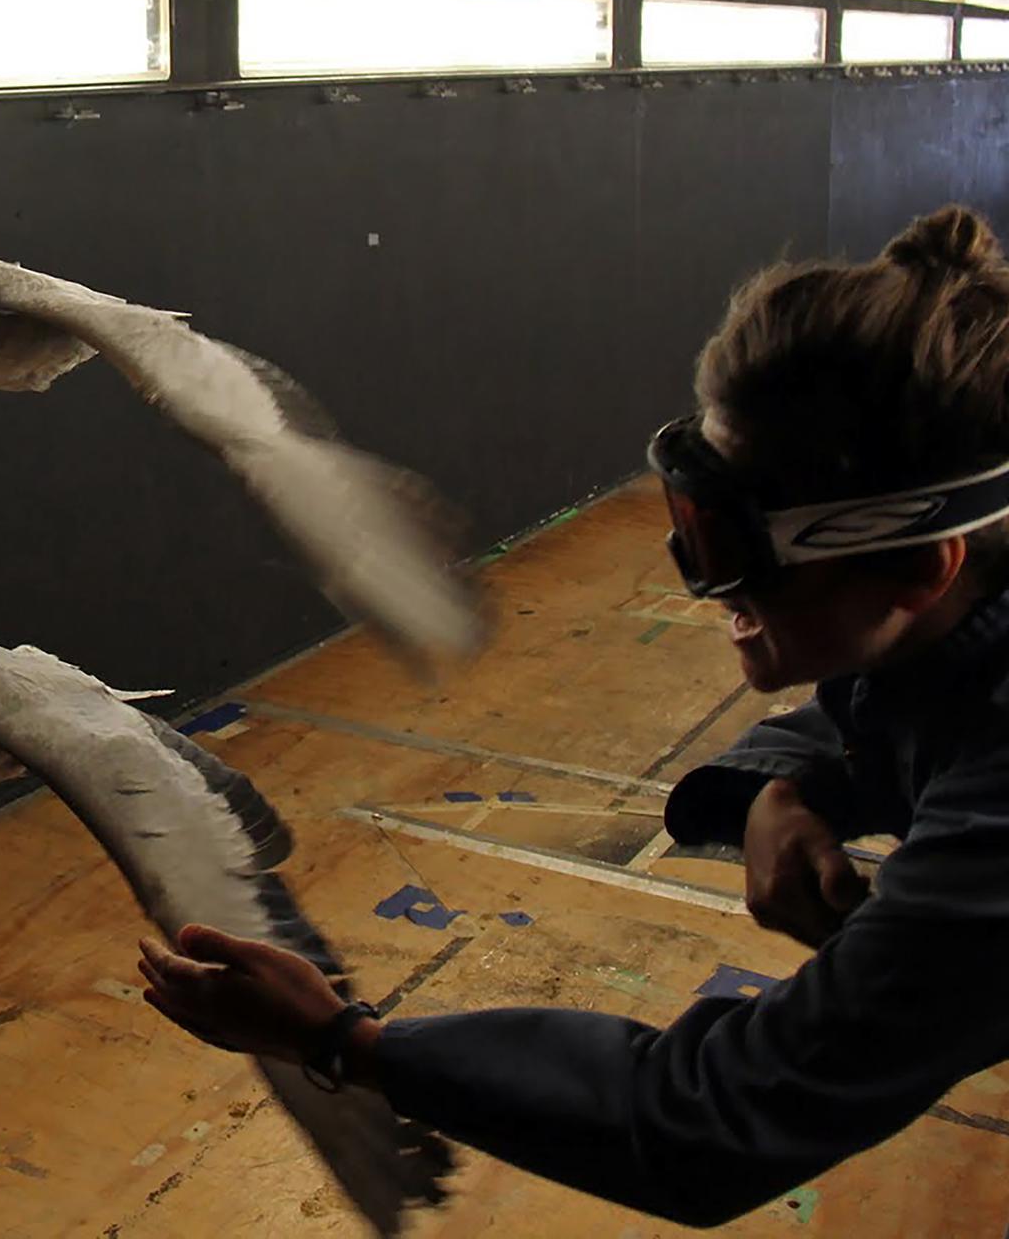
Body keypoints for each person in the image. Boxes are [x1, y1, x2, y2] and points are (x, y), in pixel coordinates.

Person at [138, 204, 1009, 1227]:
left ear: (918, 566)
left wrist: (339, 1042)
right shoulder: (957, 602)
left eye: (730, 550)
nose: (699, 582)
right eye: (688, 521)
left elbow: (708, 1120)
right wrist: (784, 784)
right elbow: (905, 694)